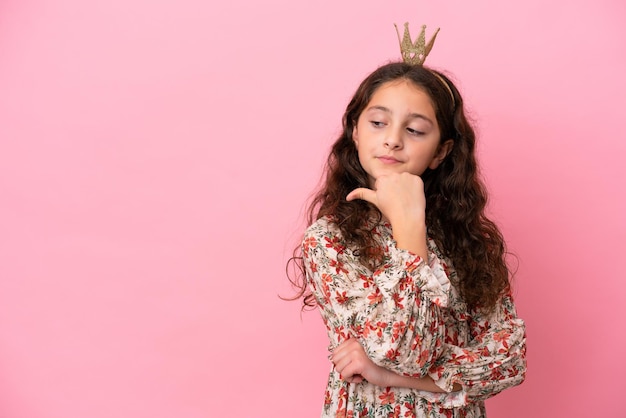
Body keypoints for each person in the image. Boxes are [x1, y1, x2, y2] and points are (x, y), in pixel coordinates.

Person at [288, 24, 526, 417]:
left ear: (440, 152)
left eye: (414, 130)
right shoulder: (330, 239)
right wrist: (409, 230)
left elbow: (509, 361)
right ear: (355, 132)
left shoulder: (467, 239)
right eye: (378, 123)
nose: (393, 139)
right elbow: (407, 350)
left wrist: (388, 375)